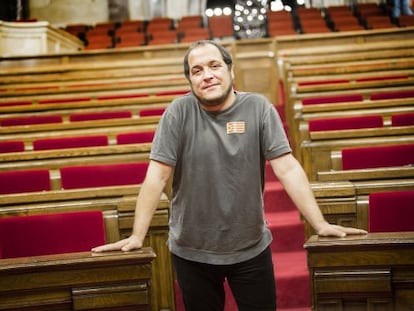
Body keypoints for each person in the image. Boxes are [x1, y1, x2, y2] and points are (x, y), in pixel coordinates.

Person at [92, 40, 367, 311]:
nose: (207, 75)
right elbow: (157, 176)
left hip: (250, 246)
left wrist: (319, 224)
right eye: (197, 70)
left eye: (214, 65)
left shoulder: (258, 108)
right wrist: (138, 235)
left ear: (230, 70)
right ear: (189, 80)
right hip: (191, 250)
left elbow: (288, 168)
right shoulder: (178, 112)